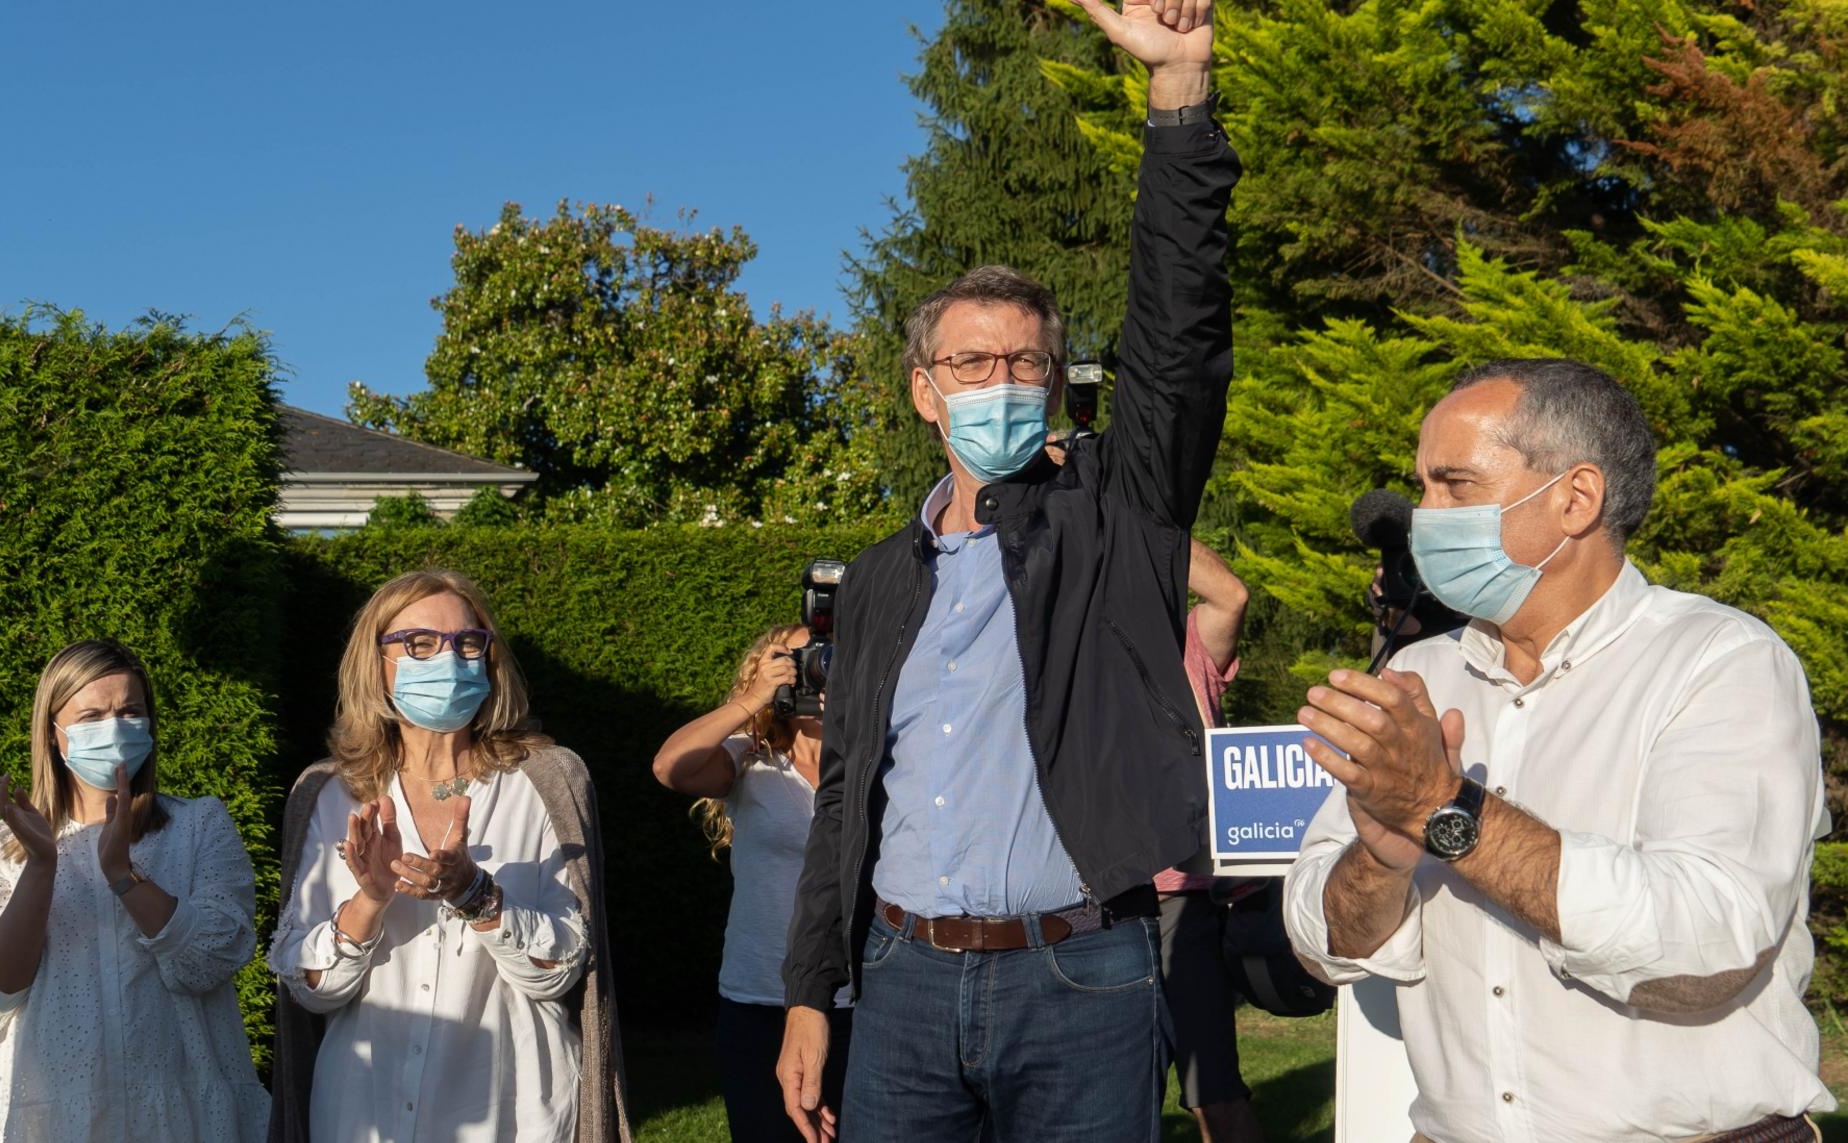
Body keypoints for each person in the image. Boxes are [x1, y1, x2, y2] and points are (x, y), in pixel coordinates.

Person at [776, 1, 1239, 1138]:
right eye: (970, 362)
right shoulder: (883, 576)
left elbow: (1177, 338)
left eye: (1024, 363)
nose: (1000, 381)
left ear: (1053, 387)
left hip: (1080, 975)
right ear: (923, 390)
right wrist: (806, 994)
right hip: (900, 981)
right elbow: (843, 792)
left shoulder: (1110, 517)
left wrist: (1176, 94)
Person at [1283, 358, 1834, 1141]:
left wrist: (1446, 811)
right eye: (1422, 485)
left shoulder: (1722, 662)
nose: (1421, 514)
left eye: (1455, 485)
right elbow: (1320, 941)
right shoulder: (1418, 675)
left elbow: (1710, 938)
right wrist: (1379, 858)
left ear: (1576, 499)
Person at [268, 569, 628, 1143]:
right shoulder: (328, 793)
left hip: (514, 1114)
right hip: (365, 1112)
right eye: (420, 643)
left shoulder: (547, 781)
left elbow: (563, 975)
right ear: (376, 664)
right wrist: (370, 898)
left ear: (489, 659)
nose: (449, 659)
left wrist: (474, 895)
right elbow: (308, 989)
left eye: (467, 642)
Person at [0, 638, 268, 1141]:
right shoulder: (2, 847)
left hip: (183, 1115)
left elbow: (210, 960)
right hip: (49, 1120)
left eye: (129, 711)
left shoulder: (198, 825)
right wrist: (40, 868)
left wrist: (123, 874)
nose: (114, 728)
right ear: (54, 734)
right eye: (91, 715)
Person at [652, 624, 853, 1143]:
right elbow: (669, 767)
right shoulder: (751, 758)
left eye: (824, 656)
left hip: (860, 996)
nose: (810, 668)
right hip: (760, 996)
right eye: (793, 658)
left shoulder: (874, 761)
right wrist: (754, 698)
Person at [1155, 539, 1265, 1143]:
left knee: (1216, 1099)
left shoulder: (1190, 643)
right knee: (1104, 1101)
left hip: (1181, 904)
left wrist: (1132, 509)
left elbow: (1232, 593)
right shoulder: (1070, 641)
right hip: (1087, 909)